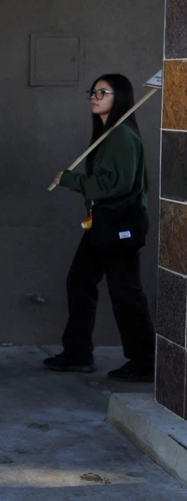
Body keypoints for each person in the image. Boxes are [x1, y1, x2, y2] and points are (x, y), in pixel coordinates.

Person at [47, 74, 156, 381]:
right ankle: (78, 353)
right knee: (80, 283)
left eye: (102, 92)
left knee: (126, 293)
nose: (94, 97)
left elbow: (116, 185)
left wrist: (72, 180)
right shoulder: (110, 133)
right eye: (93, 92)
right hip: (102, 225)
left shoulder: (122, 135)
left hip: (118, 225)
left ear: (118, 97)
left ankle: (145, 362)